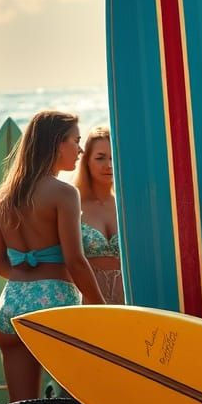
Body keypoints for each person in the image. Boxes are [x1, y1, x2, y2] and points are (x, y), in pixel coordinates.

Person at [0, 110, 102, 404]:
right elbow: (76, 260)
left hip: (11, 303)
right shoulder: (63, 193)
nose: (80, 149)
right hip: (55, 301)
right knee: (83, 397)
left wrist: (26, 277)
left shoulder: (4, 196)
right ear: (56, 143)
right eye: (75, 140)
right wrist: (100, 306)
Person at [76, 127, 123, 305]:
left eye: (113, 157)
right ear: (86, 161)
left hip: (129, 303)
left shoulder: (126, 205)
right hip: (89, 303)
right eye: (100, 157)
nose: (109, 165)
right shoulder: (73, 204)